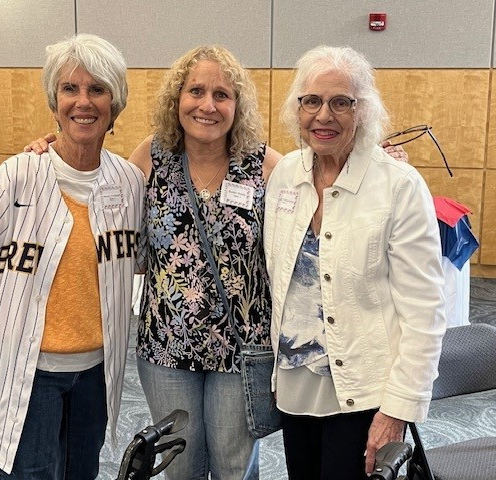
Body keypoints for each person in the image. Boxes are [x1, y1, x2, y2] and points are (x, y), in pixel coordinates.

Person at [24, 45, 411, 480]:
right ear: (177, 99)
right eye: (196, 91)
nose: (207, 105)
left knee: (234, 468)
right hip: (166, 348)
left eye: (221, 95)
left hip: (242, 349)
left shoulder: (266, 165)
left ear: (237, 105)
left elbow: (323, 185)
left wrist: (373, 160)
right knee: (180, 467)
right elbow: (95, 191)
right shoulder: (151, 157)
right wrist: (51, 149)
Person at [0, 34, 145, 479]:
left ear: (115, 104)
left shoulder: (130, 183)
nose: (83, 101)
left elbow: (144, 259)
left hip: (95, 373)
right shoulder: (13, 179)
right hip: (29, 371)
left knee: (82, 472)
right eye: (69, 89)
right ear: (54, 102)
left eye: (98, 89)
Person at [263, 44, 446, 480]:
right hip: (295, 384)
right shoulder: (286, 174)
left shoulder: (398, 185)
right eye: (312, 101)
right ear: (297, 109)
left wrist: (397, 409)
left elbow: (425, 311)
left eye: (341, 102)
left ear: (362, 110)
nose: (323, 115)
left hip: (364, 392)